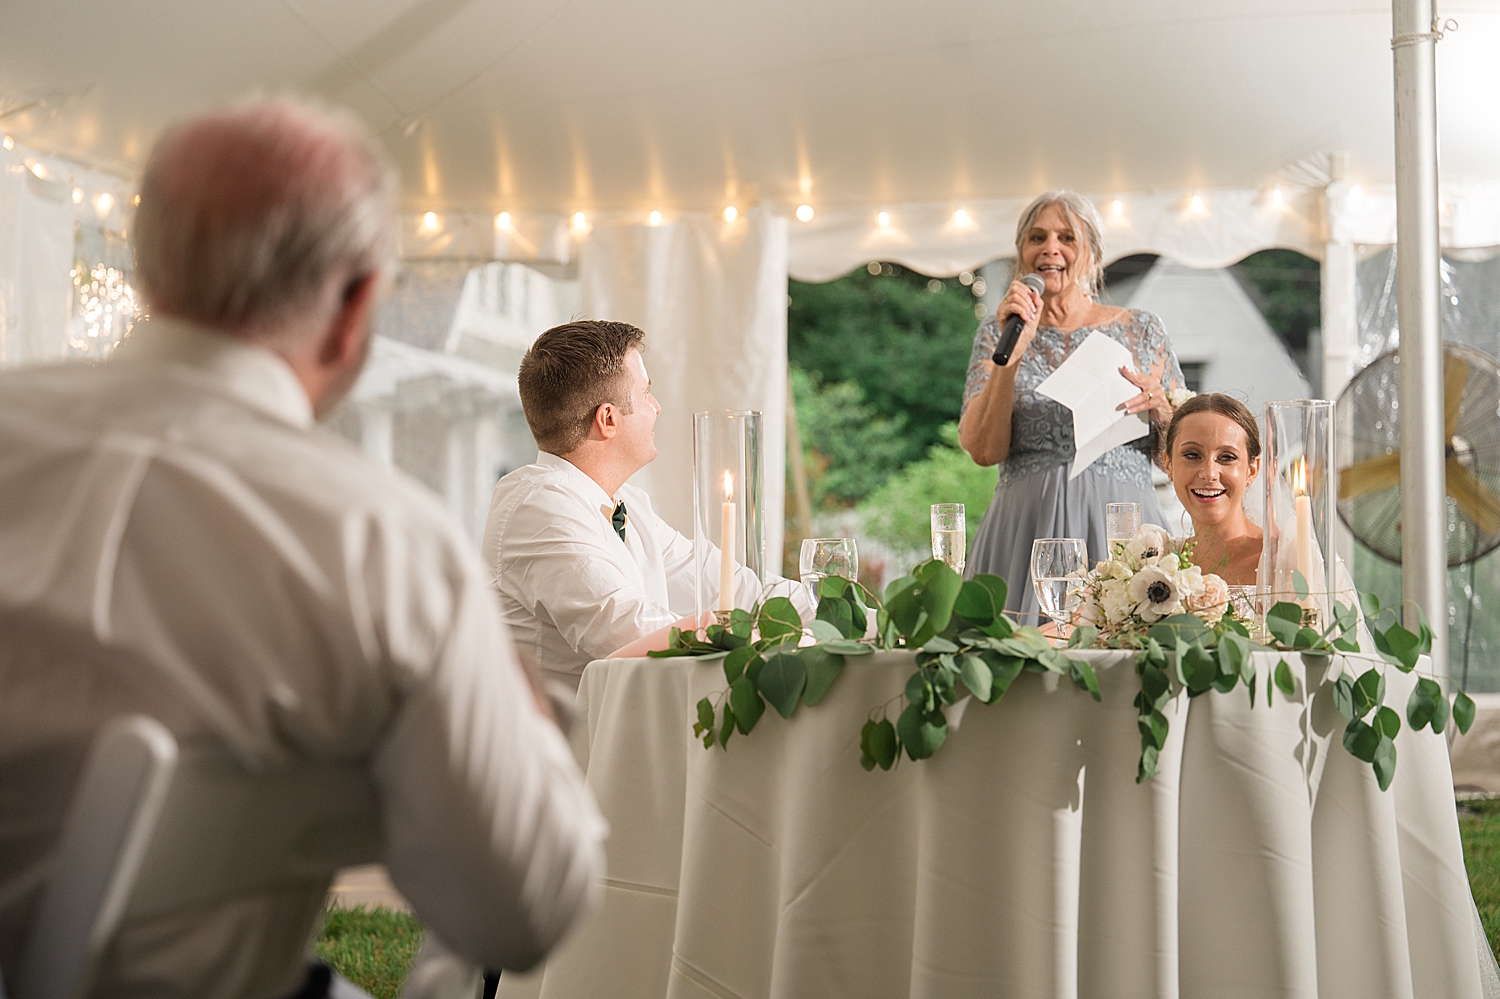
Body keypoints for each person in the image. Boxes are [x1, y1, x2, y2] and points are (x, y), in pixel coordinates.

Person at [0, 98, 605, 999]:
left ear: (148, 257)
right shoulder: (379, 541)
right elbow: (525, 908)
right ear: (355, 303)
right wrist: (522, 717)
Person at [483, 320, 780, 692]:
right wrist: (762, 634)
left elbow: (727, 583)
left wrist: (844, 614)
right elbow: (628, 630)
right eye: (646, 395)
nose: (656, 407)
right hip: (570, 745)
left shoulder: (629, 505)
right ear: (607, 419)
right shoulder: (536, 506)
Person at [959, 190, 1186, 622]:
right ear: (1021, 253)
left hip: (1122, 531)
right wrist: (1013, 356)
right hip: (1022, 532)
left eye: (1067, 237)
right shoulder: (997, 333)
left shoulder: (1141, 329)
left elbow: (1180, 457)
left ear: (1094, 255)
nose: (1051, 248)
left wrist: (1162, 410)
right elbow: (983, 451)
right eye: (1037, 237)